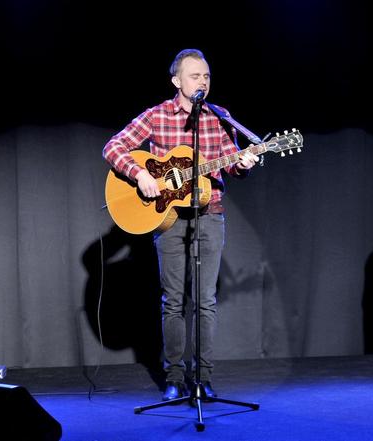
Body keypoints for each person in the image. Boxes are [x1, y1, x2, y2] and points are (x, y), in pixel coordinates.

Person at [102, 49, 259, 401]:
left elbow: (231, 165)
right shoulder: (157, 116)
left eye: (206, 75)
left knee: (205, 301)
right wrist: (140, 173)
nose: (202, 81)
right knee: (173, 301)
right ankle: (174, 376)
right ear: (177, 81)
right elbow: (114, 147)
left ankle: (203, 379)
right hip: (168, 220)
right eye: (194, 76)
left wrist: (244, 161)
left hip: (210, 214)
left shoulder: (220, 117)